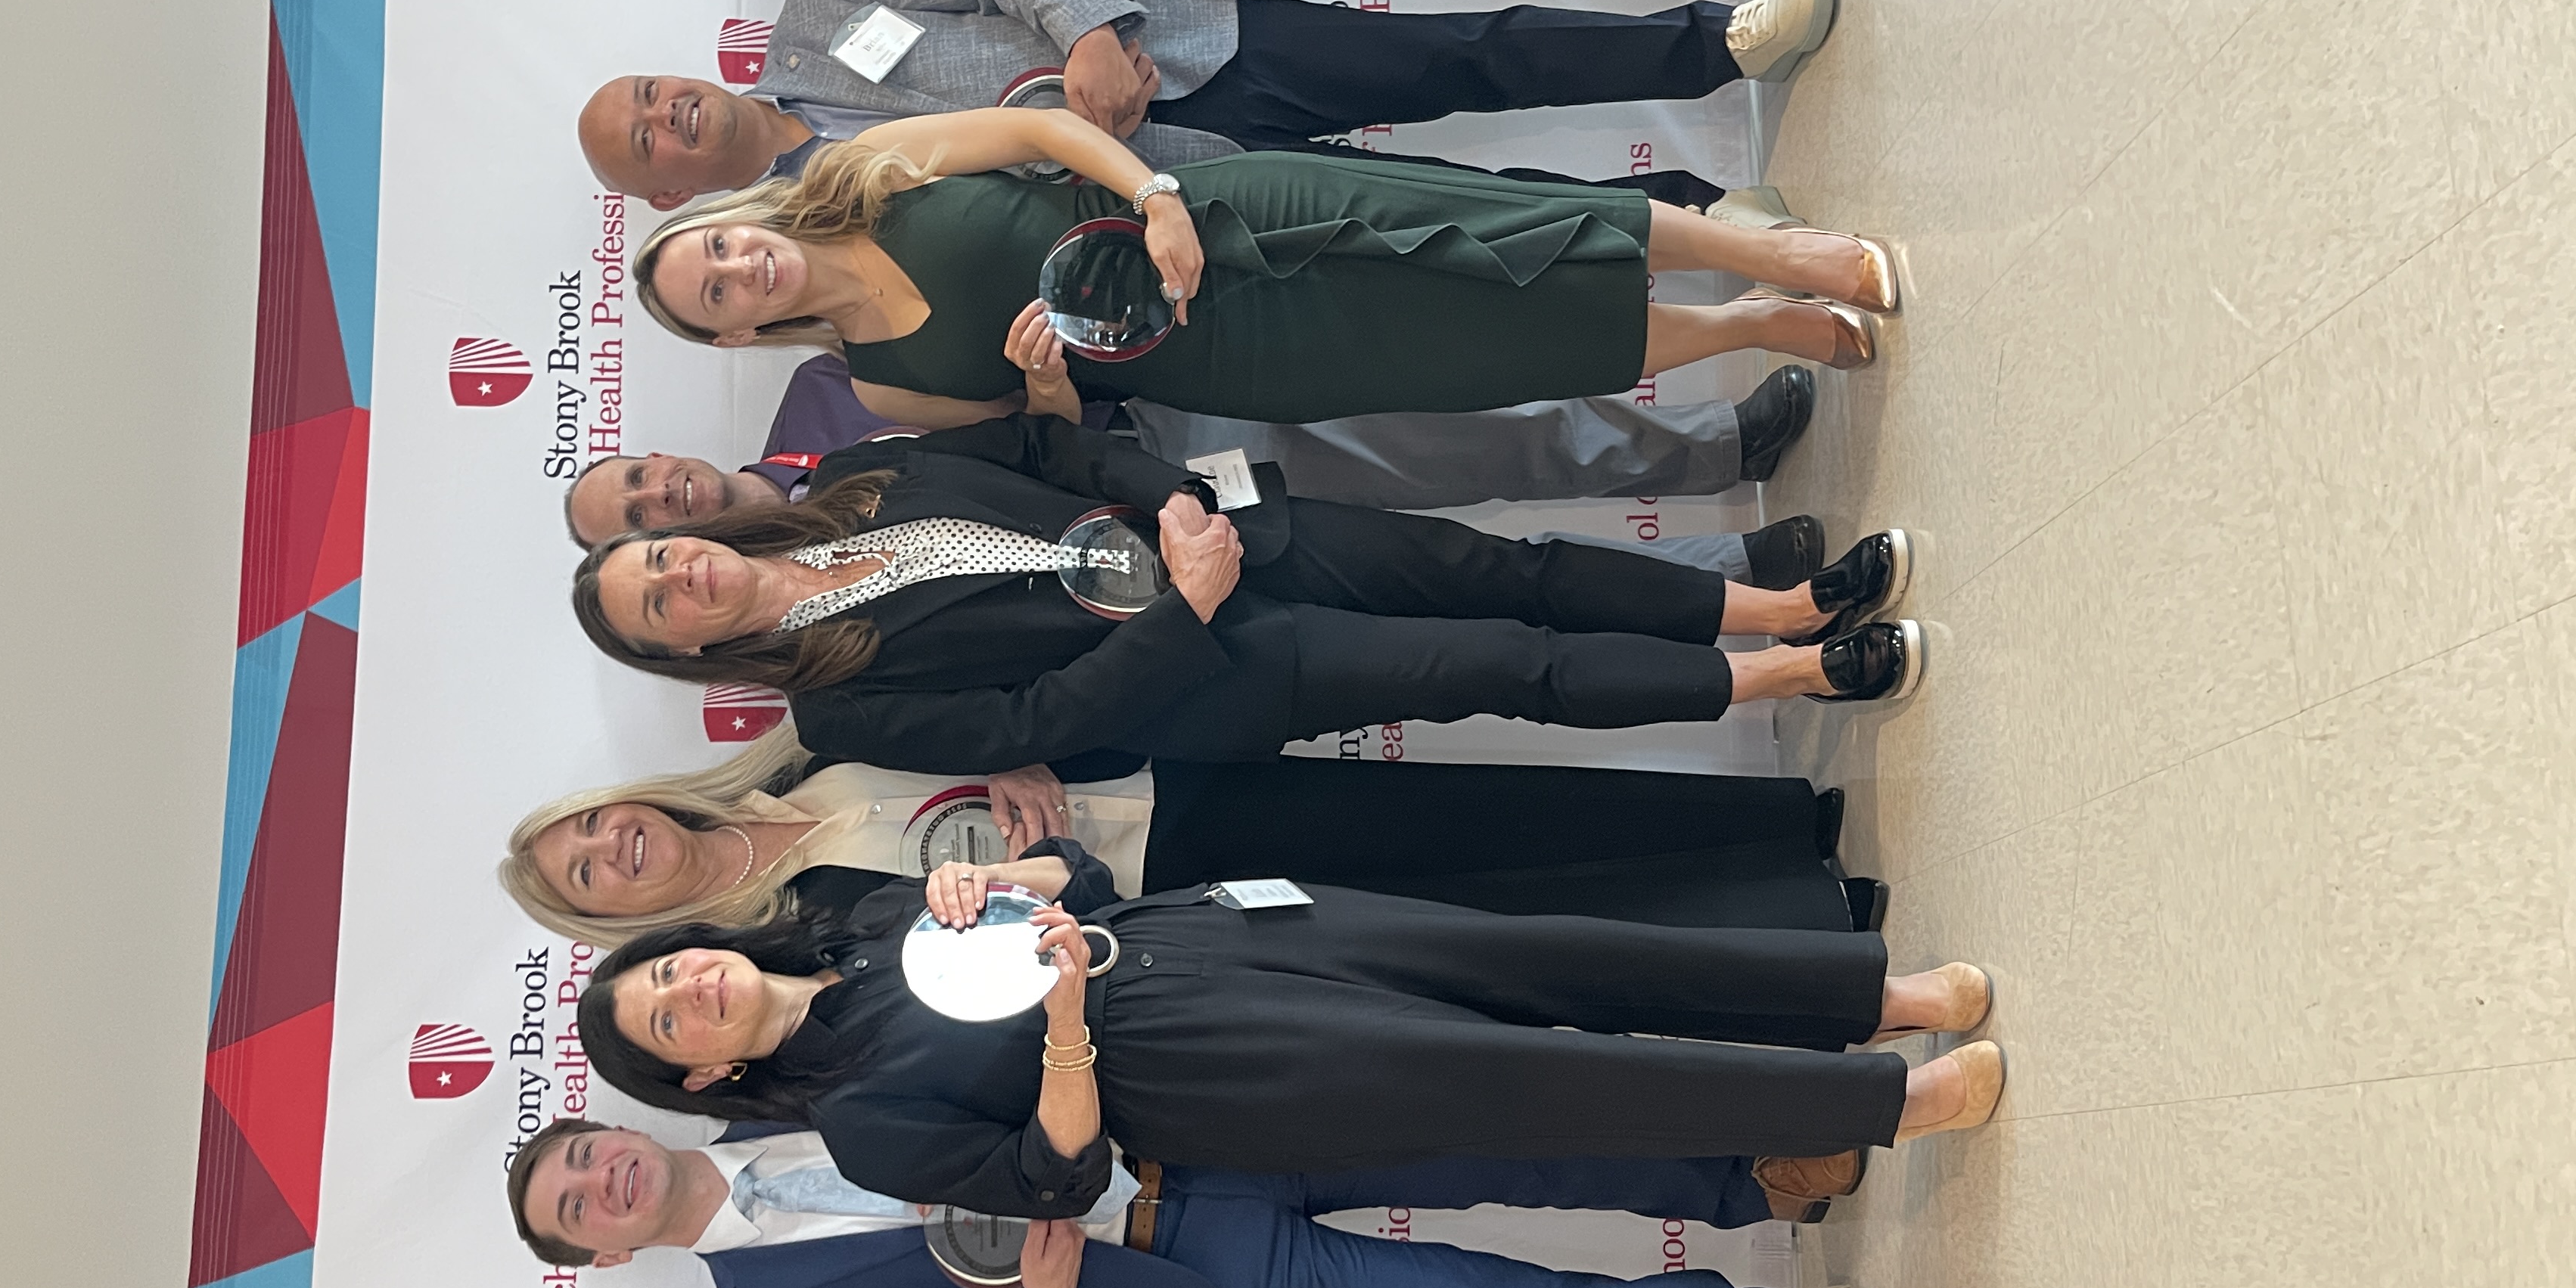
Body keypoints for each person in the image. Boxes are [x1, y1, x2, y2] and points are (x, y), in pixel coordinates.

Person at [577, 837, 2006, 1218]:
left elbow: (1082, 880)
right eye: (667, 1020)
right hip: (1207, 1075)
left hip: (1212, 932)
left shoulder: (866, 917)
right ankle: (1887, 1108)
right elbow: (1060, 1179)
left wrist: (1008, 883)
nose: (689, 986)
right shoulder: (863, 1126)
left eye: (669, 969)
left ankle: (1867, 999)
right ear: (704, 1070)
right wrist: (1067, 1018)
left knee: (1550, 956)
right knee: (1552, 1079)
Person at [571, 414, 1928, 779]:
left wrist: (1171, 497)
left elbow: (1049, 451)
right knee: (1505, 663)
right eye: (656, 603)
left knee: (1501, 568)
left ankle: (1789, 607)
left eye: (657, 555)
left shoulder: (860, 473)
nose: (677, 570)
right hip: (1221, 664)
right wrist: (1192, 607)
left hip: (1228, 533)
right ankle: (1794, 681)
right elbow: (1031, 720)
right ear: (681, 650)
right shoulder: (840, 714)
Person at [631, 108, 1893, 430]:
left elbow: (1039, 136)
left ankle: (1762, 245)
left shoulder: (871, 169)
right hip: (1228, 358)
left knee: (1489, 223)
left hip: (1220, 218)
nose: (742, 268)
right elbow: (1053, 422)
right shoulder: (886, 387)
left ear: (742, 218)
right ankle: (1751, 326)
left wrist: (1156, 193)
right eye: (719, 292)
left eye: (723, 246)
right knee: (1501, 350)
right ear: (739, 335)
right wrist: (1052, 386)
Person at [502, 1114, 1906, 1288]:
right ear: (605, 1258)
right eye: (580, 1208)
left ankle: (1743, 1174)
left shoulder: (785, 1093)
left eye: (583, 1155)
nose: (602, 1182)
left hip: (1190, 1138)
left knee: (1486, 1140)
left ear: (609, 1127)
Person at [580, 0, 1840, 212]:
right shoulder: (801, 223)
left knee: (1469, 51)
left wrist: (1083, 33)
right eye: (647, 138)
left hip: (1174, 49)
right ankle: (1707, 216)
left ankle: (1719, 44)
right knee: (1469, 207)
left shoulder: (816, 13)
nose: (666, 113)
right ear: (665, 192)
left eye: (647, 93)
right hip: (1172, 198)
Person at [500, 722, 1869, 954]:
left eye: (593, 827)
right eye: (588, 873)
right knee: (1476, 918)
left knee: (1482, 808)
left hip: (1173, 792)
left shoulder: (793, 747)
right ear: (610, 915)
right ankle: (1792, 920)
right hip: (1168, 907)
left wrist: (1009, 750)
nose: (612, 847)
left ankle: (1768, 824)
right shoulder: (783, 945)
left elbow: (971, 718)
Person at [564, 351, 1822, 573]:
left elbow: (1010, 391)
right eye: (637, 524)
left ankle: (1714, 444)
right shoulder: (794, 607)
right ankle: (1732, 567)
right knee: (1471, 568)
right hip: (1161, 578)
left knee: (1468, 445)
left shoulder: (821, 391)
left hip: (1167, 442)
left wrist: (1052, 394)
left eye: (636, 477)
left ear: (660, 454)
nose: (657, 498)